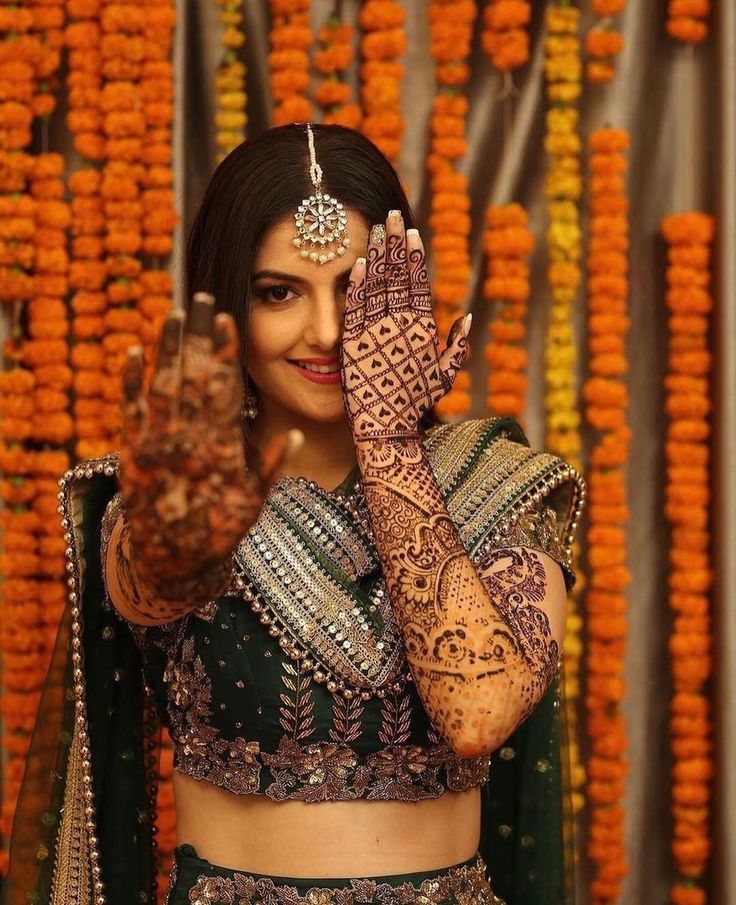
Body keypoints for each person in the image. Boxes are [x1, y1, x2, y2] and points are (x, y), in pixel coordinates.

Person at [5, 124, 586, 905]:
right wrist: (181, 547)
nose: (324, 331)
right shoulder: (177, 496)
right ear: (226, 306)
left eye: (355, 291)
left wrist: (388, 442)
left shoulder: (498, 481)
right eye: (279, 292)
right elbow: (150, 579)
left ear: (406, 292)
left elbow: (478, 712)